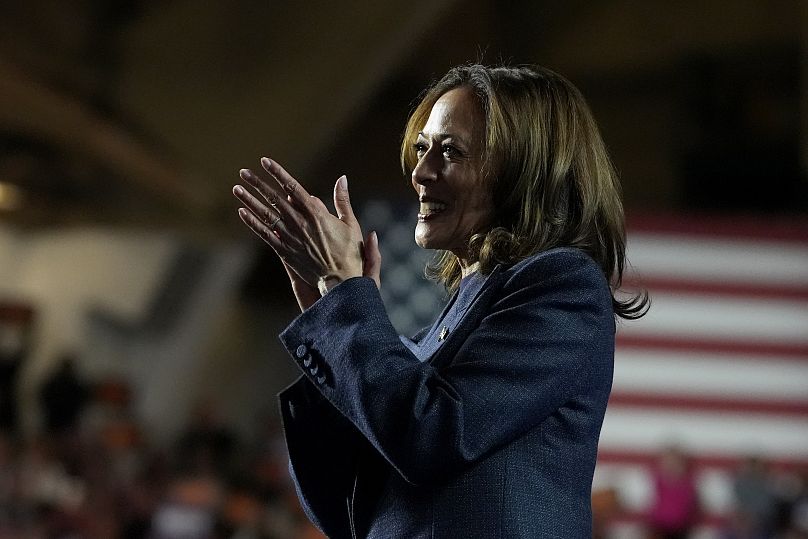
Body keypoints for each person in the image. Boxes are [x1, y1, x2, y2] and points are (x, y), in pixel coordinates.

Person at [232, 64, 647, 538]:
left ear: (526, 167)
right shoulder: (452, 318)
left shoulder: (561, 286)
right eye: (422, 148)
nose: (421, 172)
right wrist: (329, 313)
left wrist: (345, 303)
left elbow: (431, 437)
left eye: (450, 151)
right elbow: (344, 506)